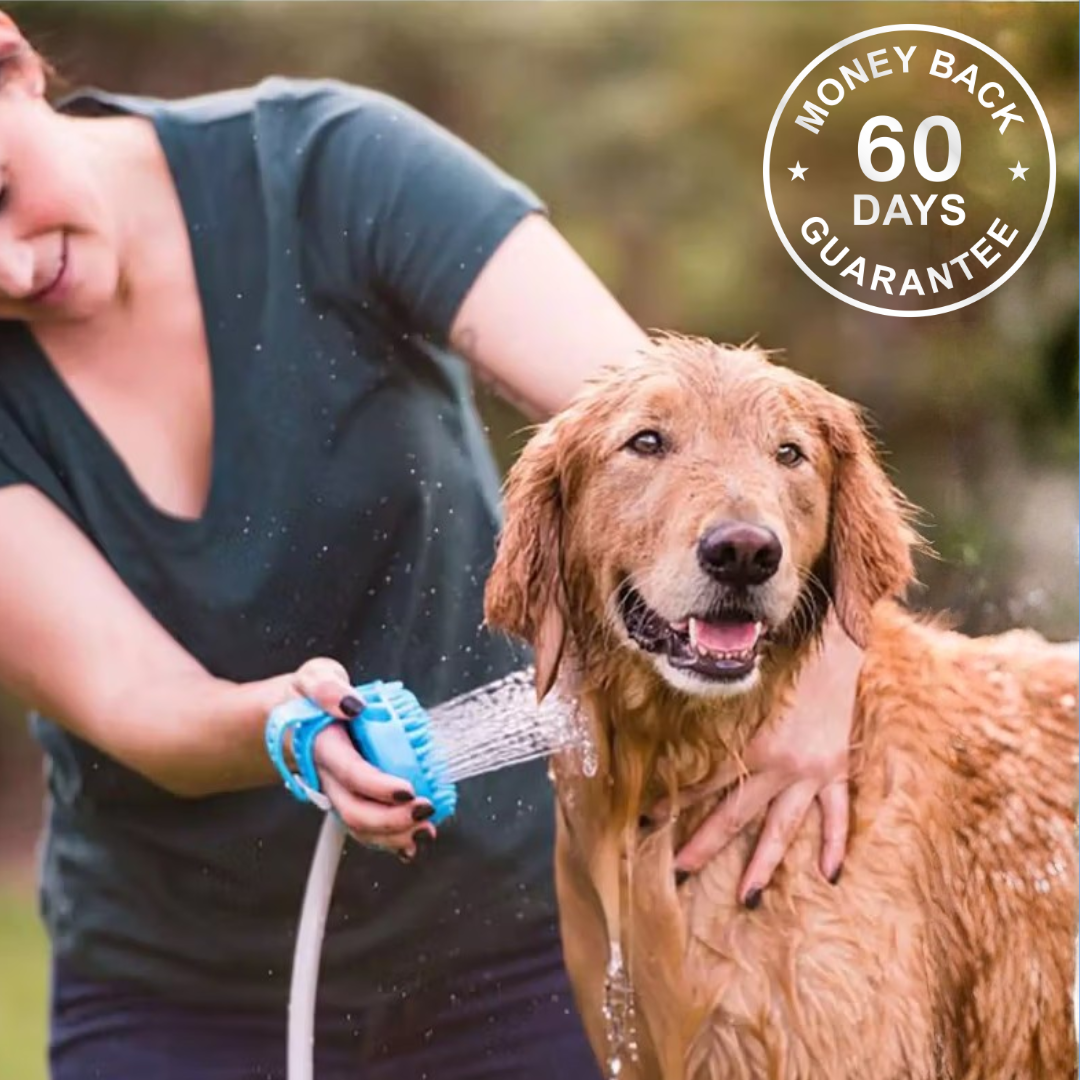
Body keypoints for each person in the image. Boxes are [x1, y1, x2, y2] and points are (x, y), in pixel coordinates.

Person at [0, 12, 860, 1079]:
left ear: (15, 64)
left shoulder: (327, 169)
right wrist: (283, 728)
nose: (11, 264)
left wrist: (834, 668)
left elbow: (668, 432)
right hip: (179, 995)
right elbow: (136, 698)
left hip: (521, 937)